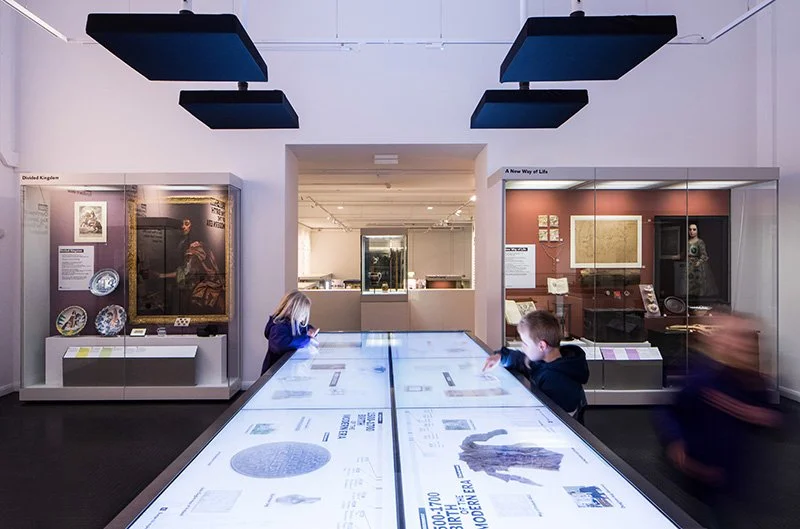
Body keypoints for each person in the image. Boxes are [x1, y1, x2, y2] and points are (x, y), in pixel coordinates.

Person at [655, 313, 781, 529]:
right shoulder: (703, 377)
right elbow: (670, 411)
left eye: (743, 338)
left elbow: (773, 418)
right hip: (700, 473)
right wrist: (675, 441)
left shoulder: (752, 381)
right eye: (731, 337)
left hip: (731, 475)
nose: (737, 344)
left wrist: (760, 416)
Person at [483, 310, 589, 414]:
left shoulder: (555, 380)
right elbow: (522, 360)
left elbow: (555, 417)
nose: (522, 347)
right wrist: (501, 356)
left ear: (542, 346)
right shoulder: (545, 361)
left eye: (525, 343)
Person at [261, 290, 319, 375]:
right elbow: (282, 345)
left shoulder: (293, 323)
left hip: (286, 370)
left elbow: (304, 328)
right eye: (303, 314)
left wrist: (310, 331)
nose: (304, 317)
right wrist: (306, 338)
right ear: (292, 311)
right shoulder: (278, 327)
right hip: (275, 373)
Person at [687, 223, 717, 298]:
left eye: (694, 229)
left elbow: (704, 255)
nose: (692, 231)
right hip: (689, 266)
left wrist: (698, 263)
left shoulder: (700, 242)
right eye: (690, 229)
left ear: (697, 231)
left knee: (699, 285)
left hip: (699, 267)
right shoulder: (687, 242)